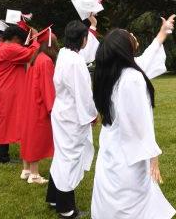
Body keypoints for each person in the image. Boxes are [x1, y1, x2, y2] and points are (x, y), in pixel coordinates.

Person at [91, 16, 176, 219]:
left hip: (111, 151)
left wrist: (163, 32)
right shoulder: (132, 78)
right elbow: (141, 123)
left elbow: (146, 59)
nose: (133, 35)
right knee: (133, 206)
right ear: (124, 47)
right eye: (128, 35)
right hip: (130, 155)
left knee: (114, 204)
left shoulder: (111, 74)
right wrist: (153, 157)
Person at [46, 20, 99, 219]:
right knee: (70, 158)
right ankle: (66, 208)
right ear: (82, 39)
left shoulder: (64, 54)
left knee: (62, 155)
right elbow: (83, 94)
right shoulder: (75, 61)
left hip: (62, 112)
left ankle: (54, 197)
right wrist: (92, 114)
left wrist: (92, 24)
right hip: (72, 116)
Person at [0, 23, 39, 164]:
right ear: (16, 38)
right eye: (21, 40)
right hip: (8, 88)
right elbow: (31, 54)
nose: (22, 43)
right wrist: (35, 40)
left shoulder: (1, 45)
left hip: (0, 86)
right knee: (5, 120)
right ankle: (3, 156)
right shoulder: (10, 48)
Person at [19, 28, 58, 184]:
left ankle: (26, 169)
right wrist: (52, 107)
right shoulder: (46, 61)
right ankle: (34, 175)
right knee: (35, 137)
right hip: (39, 103)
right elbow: (47, 87)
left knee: (28, 135)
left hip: (30, 101)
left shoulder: (36, 57)